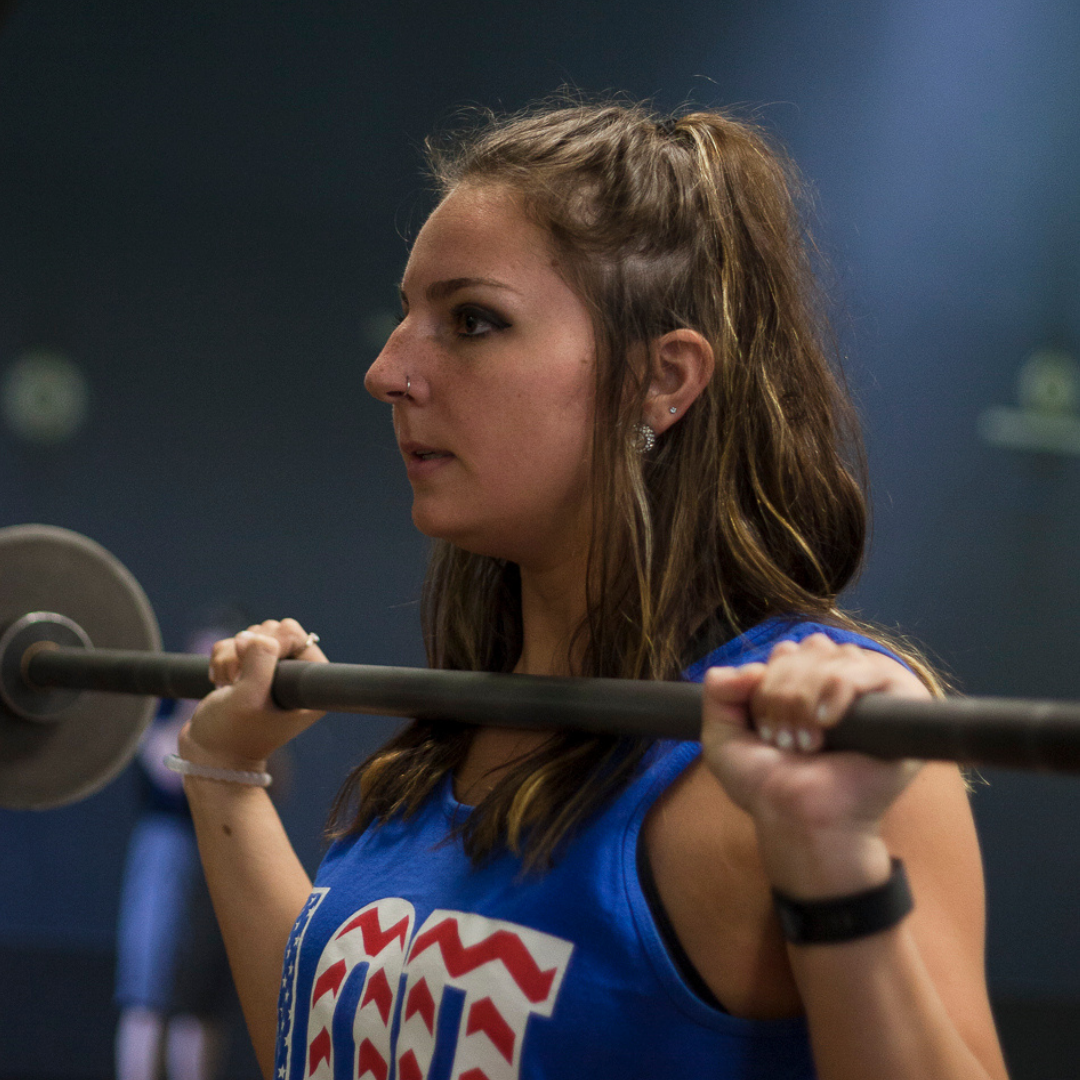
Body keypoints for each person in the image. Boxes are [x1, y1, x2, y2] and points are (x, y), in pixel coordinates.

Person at [171, 100, 1009, 1080]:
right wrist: (220, 774)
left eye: (472, 320)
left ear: (663, 379)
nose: (388, 369)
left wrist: (834, 864)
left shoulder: (823, 744)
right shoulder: (442, 744)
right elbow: (333, 1048)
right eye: (406, 317)